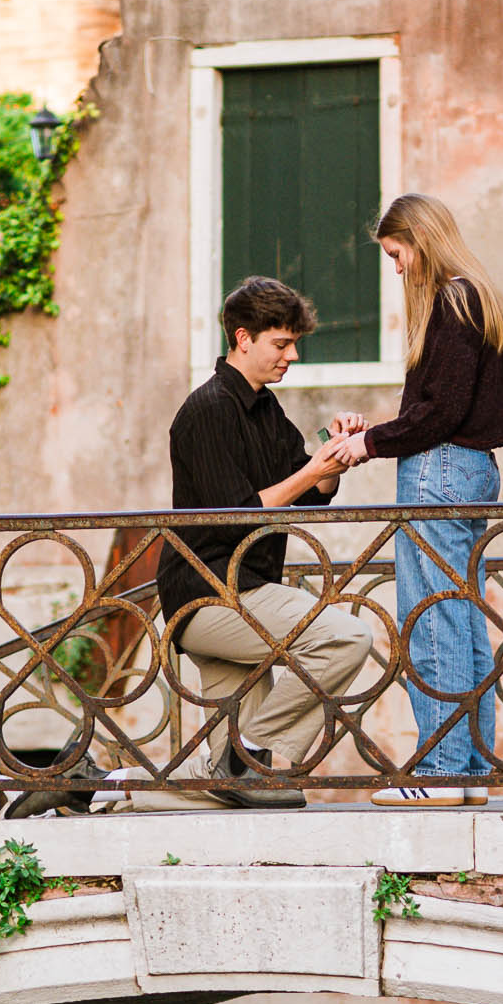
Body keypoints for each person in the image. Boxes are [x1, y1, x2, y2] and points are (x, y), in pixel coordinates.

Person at [157, 275, 374, 809]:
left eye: (294, 343)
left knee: (237, 794)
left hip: (242, 590)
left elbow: (310, 489)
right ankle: (249, 750)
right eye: (281, 343)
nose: (292, 355)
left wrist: (334, 447)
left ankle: (94, 790)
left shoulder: (265, 408)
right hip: (210, 595)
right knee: (346, 639)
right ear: (242, 338)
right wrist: (310, 474)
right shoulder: (207, 410)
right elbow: (237, 516)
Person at [341, 195, 503, 807]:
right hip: (473, 470)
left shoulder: (453, 298)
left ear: (420, 239)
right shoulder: (480, 297)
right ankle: (467, 772)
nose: (396, 268)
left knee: (431, 617)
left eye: (396, 254)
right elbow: (444, 408)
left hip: (440, 468)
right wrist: (380, 434)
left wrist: (368, 442)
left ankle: (441, 772)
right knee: (463, 620)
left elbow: (438, 414)